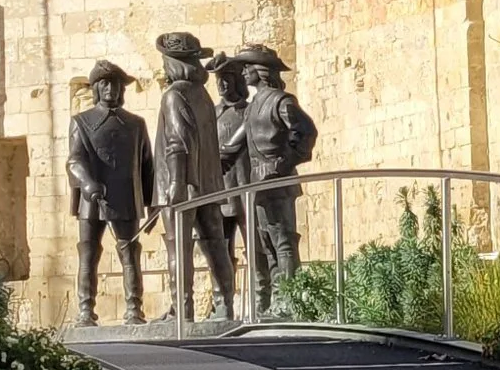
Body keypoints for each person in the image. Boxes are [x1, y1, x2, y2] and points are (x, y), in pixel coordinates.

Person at [152, 31, 235, 321]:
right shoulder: (202, 95)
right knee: (215, 245)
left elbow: (177, 141)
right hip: (209, 185)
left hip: (181, 185)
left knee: (179, 247)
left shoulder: (173, 96)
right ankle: (225, 307)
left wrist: (176, 183)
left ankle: (182, 312)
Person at [67, 59, 153, 325]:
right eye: (104, 83)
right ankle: (85, 310)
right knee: (88, 252)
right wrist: (87, 182)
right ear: (95, 87)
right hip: (92, 198)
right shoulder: (81, 122)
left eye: (114, 83)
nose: (110, 88)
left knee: (129, 252)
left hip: (126, 196)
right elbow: (73, 160)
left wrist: (152, 204)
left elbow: (147, 165)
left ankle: (134, 309)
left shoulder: (136, 124)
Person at [232, 43, 317, 310]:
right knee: (265, 241)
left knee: (283, 240)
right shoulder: (253, 105)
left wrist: (284, 163)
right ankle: (277, 299)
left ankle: (291, 300)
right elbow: (236, 145)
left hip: (277, 181)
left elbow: (305, 132)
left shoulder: (281, 101)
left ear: (261, 70)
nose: (243, 72)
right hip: (257, 182)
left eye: (247, 67)